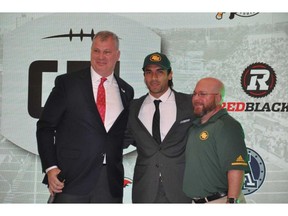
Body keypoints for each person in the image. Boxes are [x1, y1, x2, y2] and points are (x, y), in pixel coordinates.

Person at [36, 31, 134, 203]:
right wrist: (51, 168)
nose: (101, 57)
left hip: (110, 184)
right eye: (96, 51)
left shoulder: (126, 90)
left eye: (107, 52)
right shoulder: (67, 83)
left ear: (117, 55)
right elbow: (45, 127)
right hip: (70, 180)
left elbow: (120, 134)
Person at [124, 52, 195, 203]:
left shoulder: (190, 104)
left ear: (170, 75)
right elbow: (119, 140)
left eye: (160, 72)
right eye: (148, 72)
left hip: (181, 189)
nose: (154, 78)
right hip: (145, 190)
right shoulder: (133, 108)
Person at [183, 77, 250, 204]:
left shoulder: (227, 125)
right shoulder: (194, 127)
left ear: (218, 98)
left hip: (220, 201)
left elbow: (236, 168)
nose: (196, 98)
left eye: (203, 94)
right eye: (195, 94)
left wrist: (232, 201)